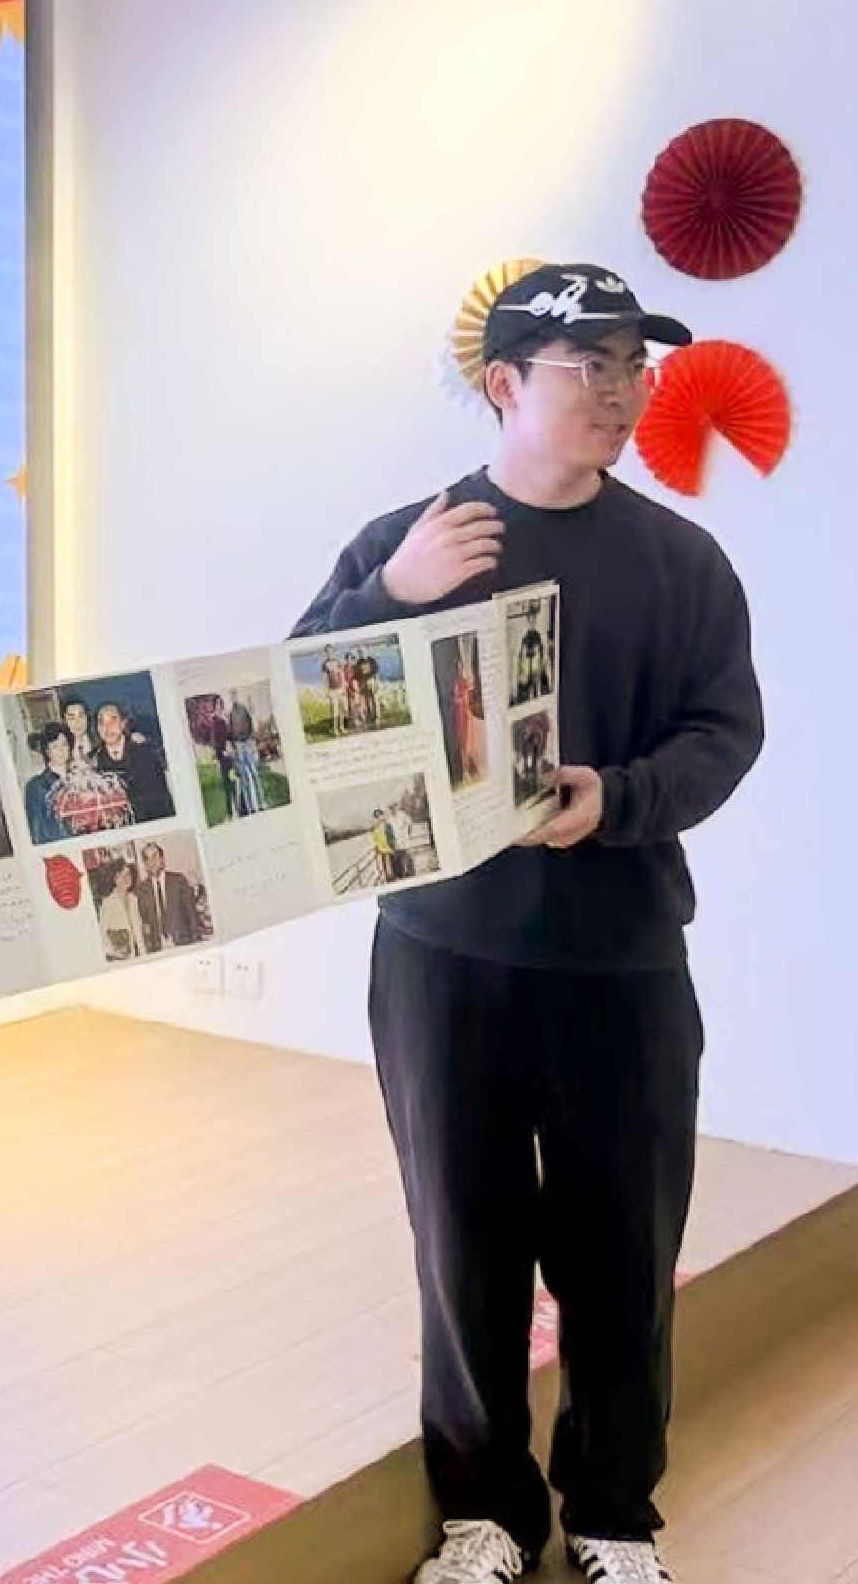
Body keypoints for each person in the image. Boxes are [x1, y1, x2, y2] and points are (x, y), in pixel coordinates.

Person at [292, 263, 761, 1584]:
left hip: (621, 957)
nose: (621, 392)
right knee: (465, 1244)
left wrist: (617, 799)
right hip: (442, 957)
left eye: (633, 367)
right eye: (587, 366)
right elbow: (292, 719)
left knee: (625, 1248)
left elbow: (723, 734)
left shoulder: (679, 561)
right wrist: (389, 595)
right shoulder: (408, 539)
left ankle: (611, 1514)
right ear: (502, 383)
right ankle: (482, 1512)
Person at [142, 844, 204, 949]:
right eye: (147, 858)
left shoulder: (178, 880)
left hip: (182, 942)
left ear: (162, 859)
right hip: (159, 947)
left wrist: (197, 944)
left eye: (154, 856)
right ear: (145, 864)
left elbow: (192, 915)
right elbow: (145, 921)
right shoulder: (142, 889)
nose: (151, 862)